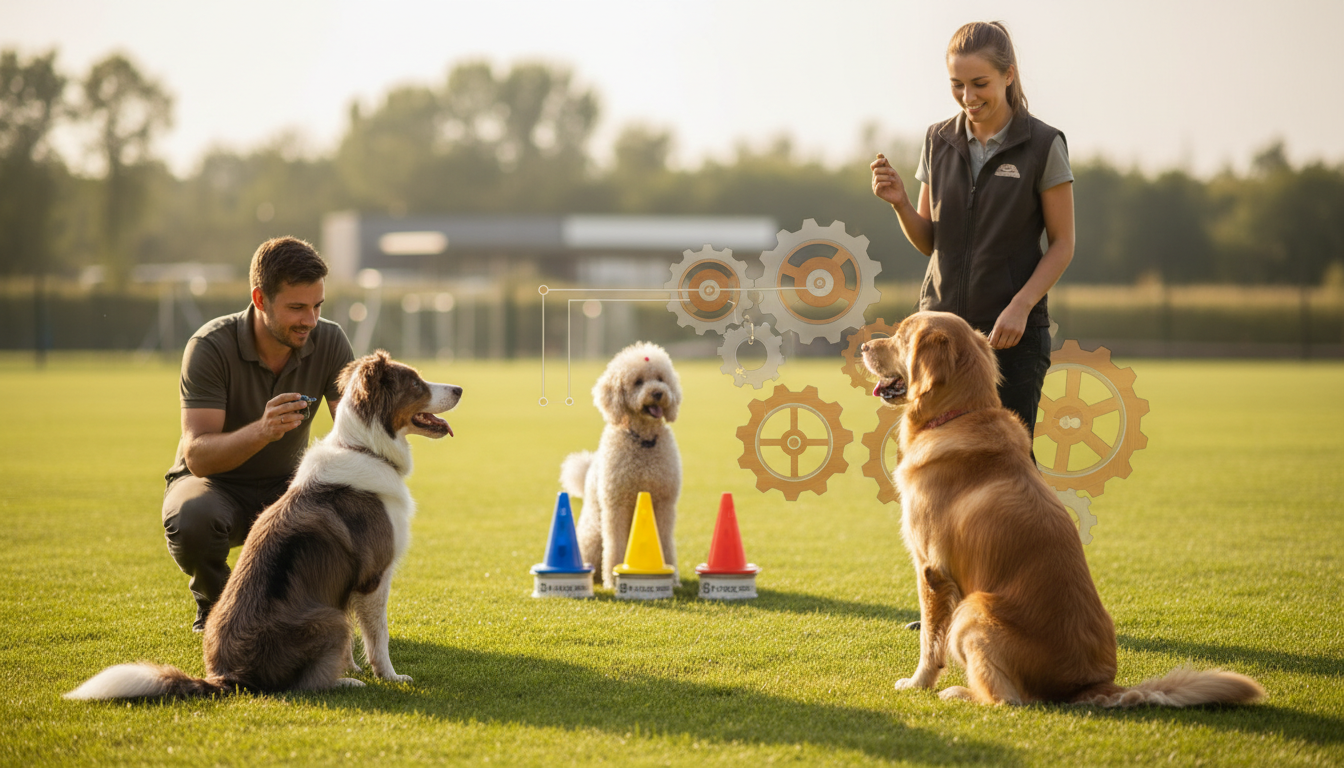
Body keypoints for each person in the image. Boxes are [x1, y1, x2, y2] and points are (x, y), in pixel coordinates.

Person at [871, 20, 1074, 441]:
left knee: (1007, 462)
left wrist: (1021, 305)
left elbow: (1063, 244)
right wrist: (901, 204)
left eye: (979, 83)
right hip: (938, 339)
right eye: (957, 85)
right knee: (935, 459)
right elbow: (930, 242)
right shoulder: (937, 140)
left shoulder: (1043, 145)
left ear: (1008, 75)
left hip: (1009, 340)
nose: (968, 97)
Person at [162, 237, 354, 631]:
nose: (311, 320)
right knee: (193, 516)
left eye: (317, 306)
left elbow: (353, 433)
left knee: (349, 504)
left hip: (288, 485)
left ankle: (304, 611)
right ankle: (218, 607)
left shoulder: (330, 340)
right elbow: (197, 456)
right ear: (260, 299)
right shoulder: (209, 347)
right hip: (215, 485)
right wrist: (262, 431)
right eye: (297, 308)